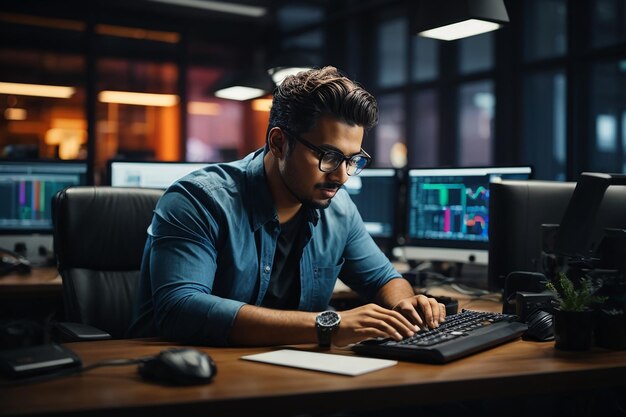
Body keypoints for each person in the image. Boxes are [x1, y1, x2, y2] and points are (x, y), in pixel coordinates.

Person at [127, 66, 446, 347]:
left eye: (352, 160)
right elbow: (180, 310)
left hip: (288, 374)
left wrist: (405, 305)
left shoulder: (339, 208)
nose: (342, 175)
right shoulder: (198, 200)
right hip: (186, 376)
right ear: (278, 143)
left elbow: (383, 279)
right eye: (329, 156)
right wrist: (329, 326)